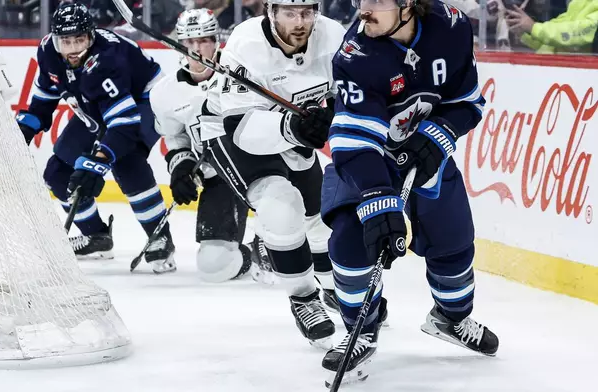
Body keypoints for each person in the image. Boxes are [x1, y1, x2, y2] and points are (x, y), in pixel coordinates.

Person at [320, 0, 499, 385]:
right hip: (368, 163)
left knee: (453, 242)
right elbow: (353, 142)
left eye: (376, 0)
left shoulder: (451, 26)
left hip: (426, 158)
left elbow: (466, 102)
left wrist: (439, 135)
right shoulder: (356, 55)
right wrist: (377, 198)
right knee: (352, 242)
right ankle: (361, 330)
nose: (363, 9)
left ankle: (450, 318)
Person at [199, 0, 346, 347]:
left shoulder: (332, 35)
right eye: (290, 13)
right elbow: (242, 129)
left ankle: (337, 288)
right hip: (231, 130)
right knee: (282, 207)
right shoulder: (246, 43)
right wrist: (295, 128)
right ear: (270, 11)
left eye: (308, 12)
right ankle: (304, 298)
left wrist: (331, 117)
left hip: (289, 126)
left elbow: (348, 94)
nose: (300, 22)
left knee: (319, 217)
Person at [15, 3, 175, 273]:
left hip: (144, 100)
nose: (74, 48)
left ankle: (159, 236)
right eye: (66, 41)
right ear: (55, 40)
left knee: (127, 161)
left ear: (91, 36)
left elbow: (123, 125)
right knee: (58, 173)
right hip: (97, 103)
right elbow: (45, 98)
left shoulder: (107, 58)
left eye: (80, 39)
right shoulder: (47, 52)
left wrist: (99, 161)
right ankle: (96, 237)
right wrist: (24, 131)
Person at [150, 9, 253, 282]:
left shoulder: (244, 76)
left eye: (204, 40)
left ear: (217, 40)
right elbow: (176, 138)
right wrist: (181, 168)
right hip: (220, 178)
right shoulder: (165, 93)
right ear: (180, 45)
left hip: (260, 168)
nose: (197, 49)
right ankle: (254, 252)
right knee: (214, 266)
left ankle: (272, 241)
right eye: (190, 42)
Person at [506, 0, 598, 54]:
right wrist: (524, 31)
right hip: (550, 74)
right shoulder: (579, 4)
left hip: (574, 79)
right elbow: (551, 40)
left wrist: (533, 27)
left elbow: (574, 34)